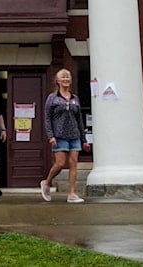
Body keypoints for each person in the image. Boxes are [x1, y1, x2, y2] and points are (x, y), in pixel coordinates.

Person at [39, 68, 90, 203]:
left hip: (74, 136)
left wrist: (83, 139)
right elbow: (47, 118)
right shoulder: (53, 98)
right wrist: (51, 135)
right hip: (59, 135)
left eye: (68, 77)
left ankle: (71, 194)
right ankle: (47, 183)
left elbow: (79, 119)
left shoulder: (75, 99)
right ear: (58, 81)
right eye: (63, 77)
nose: (66, 80)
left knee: (73, 164)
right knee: (60, 163)